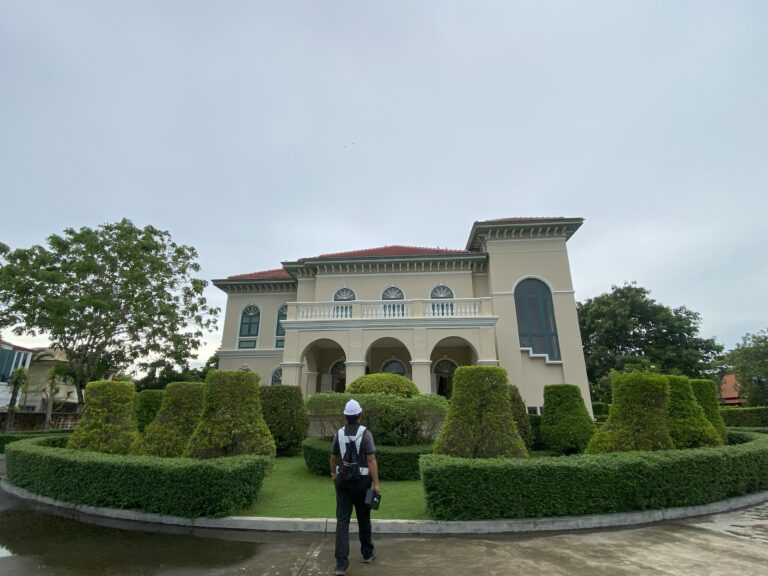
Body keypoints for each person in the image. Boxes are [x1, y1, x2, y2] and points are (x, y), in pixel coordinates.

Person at [330, 399, 380, 575]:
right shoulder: (365, 433)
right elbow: (371, 459)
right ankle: (367, 553)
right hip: (362, 483)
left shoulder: (339, 433)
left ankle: (341, 565)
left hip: (343, 482)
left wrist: (333, 474)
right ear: (359, 415)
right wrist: (376, 483)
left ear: (345, 416)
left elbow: (333, 457)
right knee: (363, 518)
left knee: (342, 521)